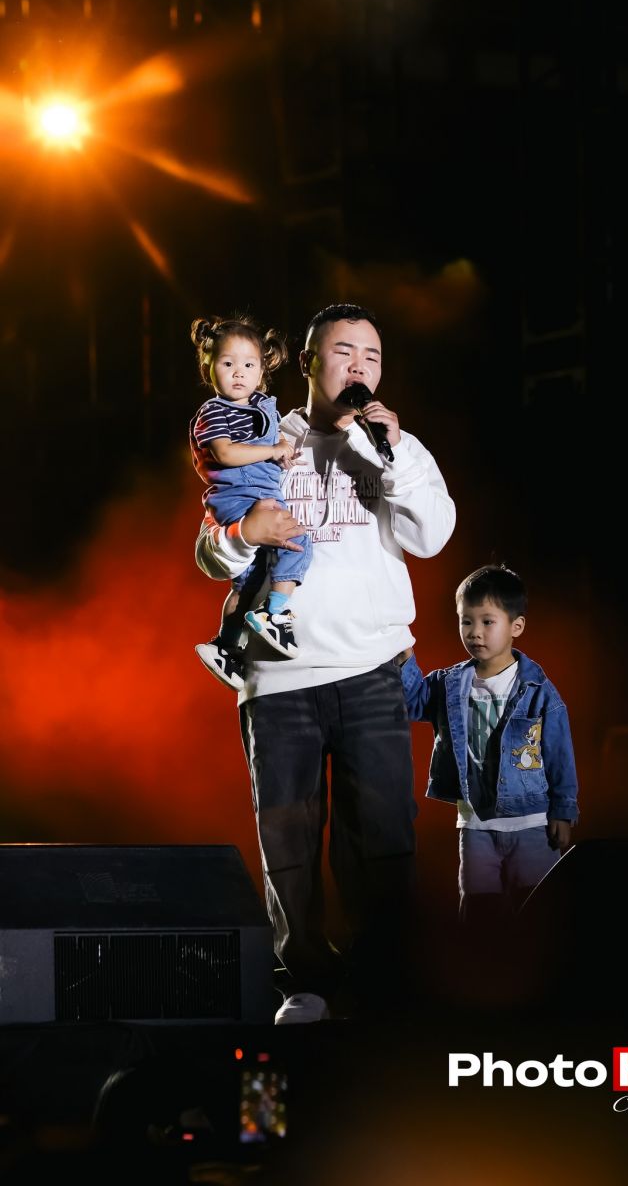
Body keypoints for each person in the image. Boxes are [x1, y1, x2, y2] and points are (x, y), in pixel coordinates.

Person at [194, 302, 456, 1024]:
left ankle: (382, 983)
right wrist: (243, 534)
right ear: (310, 363)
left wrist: (391, 456)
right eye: (344, 353)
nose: (359, 367)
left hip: (372, 669)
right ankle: (304, 983)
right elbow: (211, 552)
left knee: (382, 836)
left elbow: (433, 535)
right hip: (278, 678)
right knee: (287, 838)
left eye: (372, 357)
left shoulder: (397, 446)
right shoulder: (260, 434)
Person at [398, 563, 579, 932]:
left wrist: (563, 810)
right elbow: (413, 703)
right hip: (476, 824)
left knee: (537, 911)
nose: (474, 632)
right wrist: (403, 658)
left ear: (516, 626)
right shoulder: (450, 683)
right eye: (466, 621)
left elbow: (559, 752)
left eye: (487, 621)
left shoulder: (538, 690)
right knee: (480, 912)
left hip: (531, 822)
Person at [189, 314, 312, 691]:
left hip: (255, 491)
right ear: (210, 369)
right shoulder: (214, 412)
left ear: (261, 371)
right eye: (228, 364)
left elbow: (268, 444)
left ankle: (227, 646)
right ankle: (275, 613)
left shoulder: (262, 406)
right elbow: (225, 453)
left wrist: (281, 450)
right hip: (239, 495)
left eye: (248, 365)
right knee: (299, 541)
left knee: (247, 581)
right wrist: (271, 450)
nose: (238, 373)